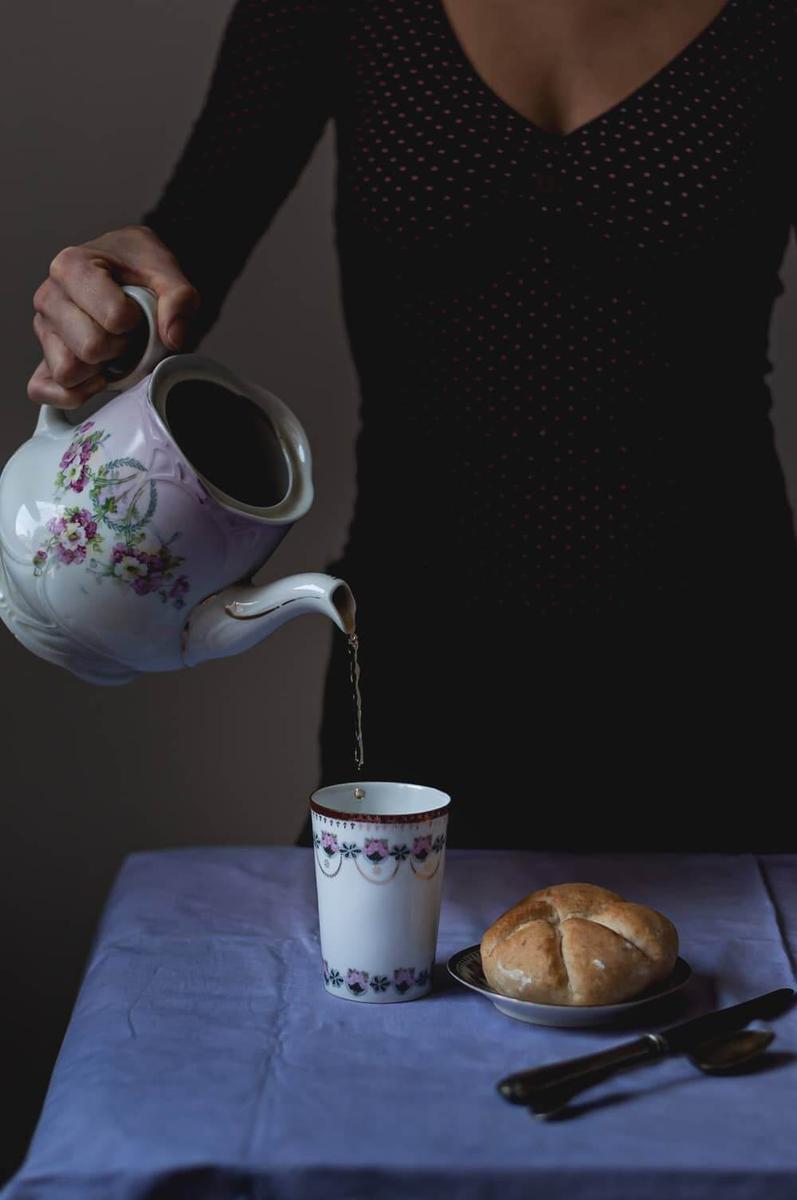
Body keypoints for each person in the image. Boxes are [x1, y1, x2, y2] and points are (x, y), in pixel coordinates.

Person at [28, 0, 797, 850]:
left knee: (738, 976)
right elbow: (184, 255)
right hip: (417, 658)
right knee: (379, 978)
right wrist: (108, 297)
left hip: (721, 659)